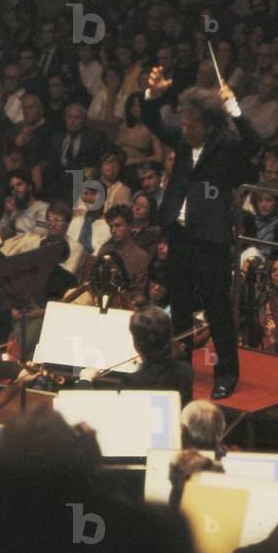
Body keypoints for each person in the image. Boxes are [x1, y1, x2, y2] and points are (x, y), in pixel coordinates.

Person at [141, 66, 263, 398]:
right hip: (179, 235)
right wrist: (154, 95)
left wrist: (234, 108)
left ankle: (226, 374)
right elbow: (151, 119)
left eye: (192, 124)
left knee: (217, 309)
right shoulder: (182, 137)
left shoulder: (225, 145)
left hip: (210, 241)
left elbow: (255, 141)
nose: (185, 128)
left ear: (209, 124)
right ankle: (182, 368)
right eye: (184, 121)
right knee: (178, 306)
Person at [77, 306, 192, 405]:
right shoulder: (185, 371)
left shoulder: (132, 383)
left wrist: (85, 380)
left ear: (137, 344)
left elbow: (87, 406)